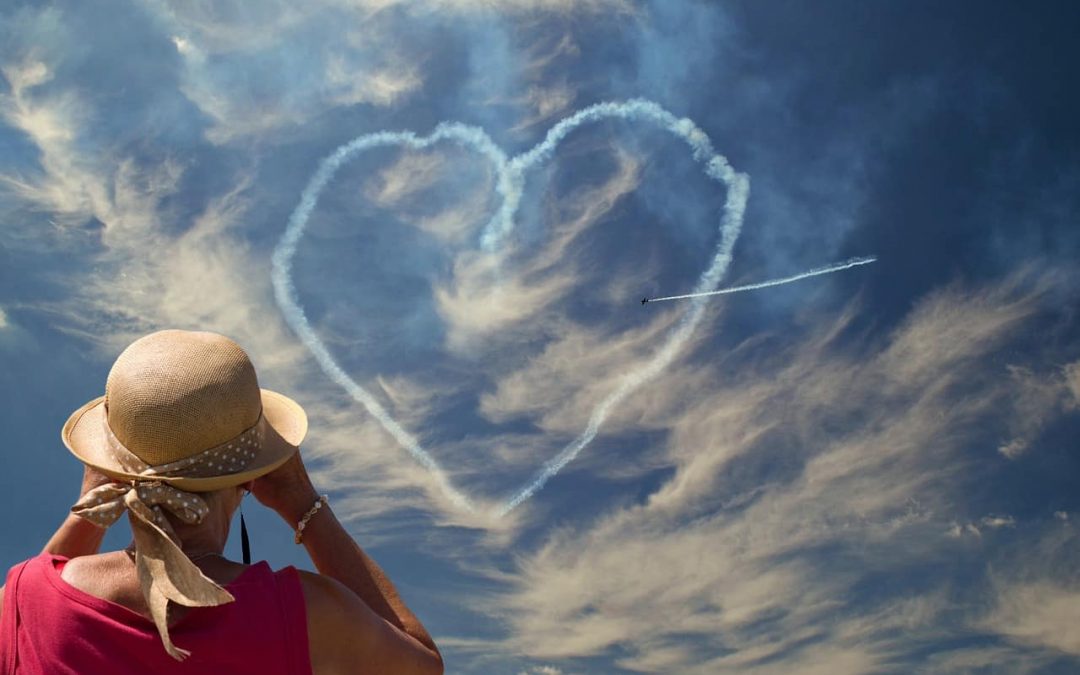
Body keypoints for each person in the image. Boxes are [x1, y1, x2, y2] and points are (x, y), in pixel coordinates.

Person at [0, 329, 444, 674]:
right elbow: (423, 664)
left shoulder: (25, 599)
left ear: (111, 473)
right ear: (251, 479)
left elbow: (29, 610)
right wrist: (303, 502)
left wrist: (89, 509)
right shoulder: (311, 617)